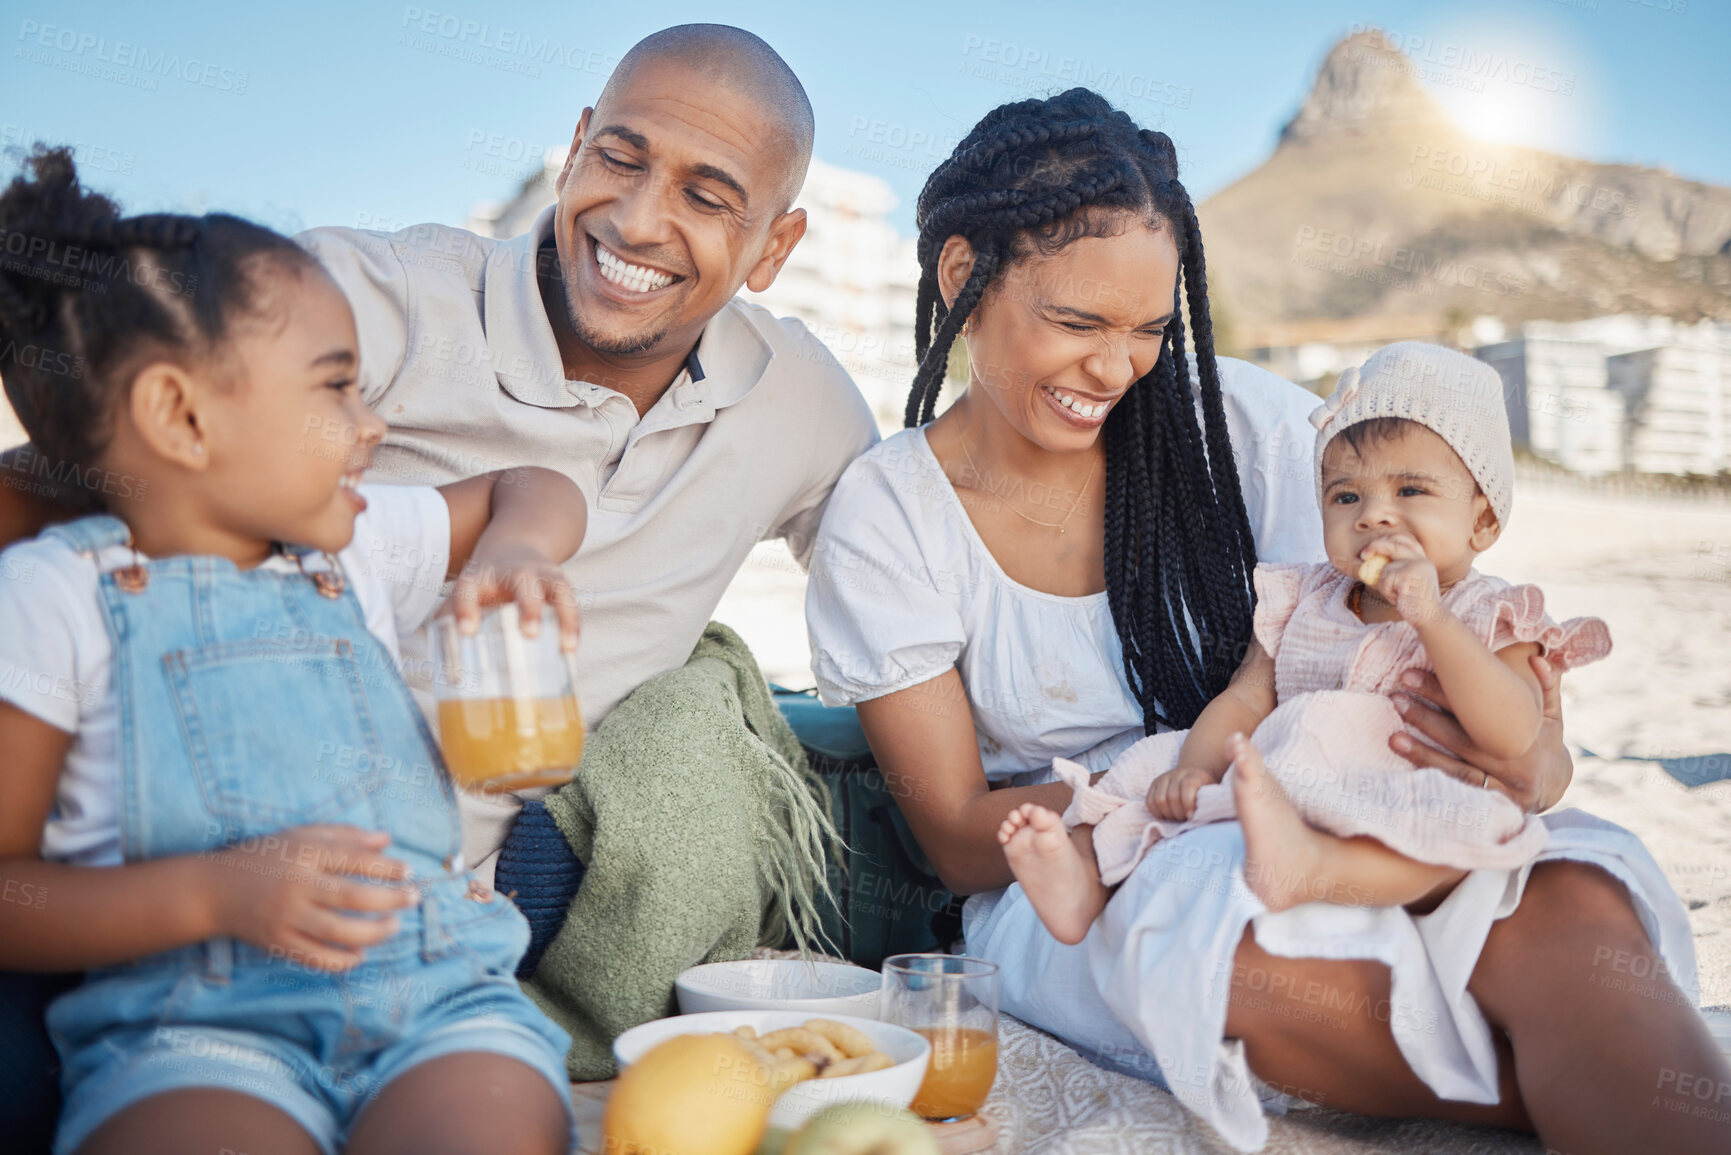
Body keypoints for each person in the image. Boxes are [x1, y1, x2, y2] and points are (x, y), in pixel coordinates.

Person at [803, 88, 1729, 1154]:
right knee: (1258, 954)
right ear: (963, 276)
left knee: (1569, 904)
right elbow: (959, 838)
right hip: (1088, 870)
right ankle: (1616, 1082)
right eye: (1077, 322)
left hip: (1350, 799)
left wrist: (1512, 750)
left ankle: (1620, 1076)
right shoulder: (890, 513)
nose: (1117, 369)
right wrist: (1164, 796)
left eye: (1148, 329)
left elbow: (1393, 604)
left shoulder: (1246, 426)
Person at [0, 149, 582, 1155]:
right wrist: (213, 893)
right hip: (191, 1035)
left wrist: (515, 549)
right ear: (181, 417)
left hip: (436, 1005)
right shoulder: (58, 596)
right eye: (337, 388)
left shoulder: (348, 546)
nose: (374, 423)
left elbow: (535, 485)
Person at [291, 23, 876, 906]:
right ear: (572, 151)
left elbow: (915, 575)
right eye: (619, 158)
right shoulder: (374, 300)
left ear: (774, 248)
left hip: (510, 916)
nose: (637, 222)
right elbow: (102, 453)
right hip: (266, 876)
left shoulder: (799, 398)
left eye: (708, 198)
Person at [996, 341, 1613, 946]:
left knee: (1471, 824)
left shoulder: (1492, 612)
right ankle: (1083, 878)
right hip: (1290, 775)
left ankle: (1313, 867)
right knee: (1148, 763)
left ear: (1482, 520)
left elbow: (1513, 735)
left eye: (1410, 492)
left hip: (1402, 789)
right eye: (1346, 496)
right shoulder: (1304, 597)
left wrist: (1432, 619)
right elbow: (1244, 701)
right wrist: (1192, 770)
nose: (1373, 515)